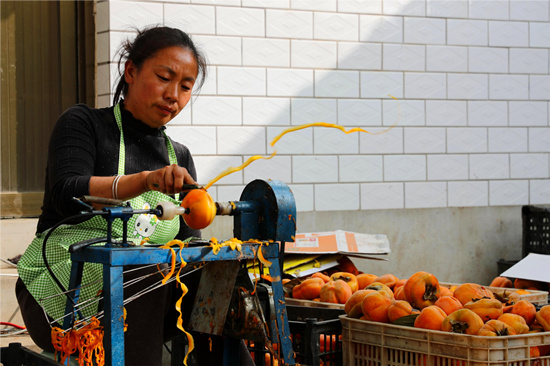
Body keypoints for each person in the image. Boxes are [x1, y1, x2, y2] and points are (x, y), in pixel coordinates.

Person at [15, 26, 242, 365]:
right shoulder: (84, 124)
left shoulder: (178, 156)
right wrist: (144, 181)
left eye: (185, 86)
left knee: (214, 273)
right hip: (63, 301)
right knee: (145, 265)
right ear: (131, 71)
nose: (173, 95)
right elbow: (67, 192)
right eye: (165, 77)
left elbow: (189, 243)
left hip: (146, 305)